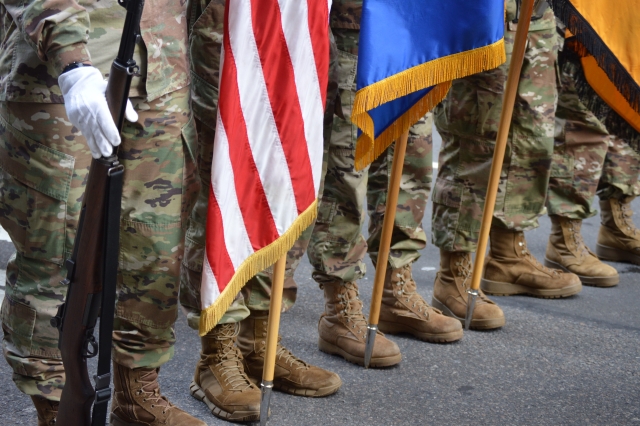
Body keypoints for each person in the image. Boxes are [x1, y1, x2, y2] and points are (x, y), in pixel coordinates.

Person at [0, 0, 205, 424]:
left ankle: (136, 392)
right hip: (61, 80)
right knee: (56, 258)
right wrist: (72, 63)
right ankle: (58, 408)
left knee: (156, 246)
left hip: (161, 70)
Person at [179, 1, 341, 422]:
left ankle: (261, 339)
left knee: (284, 164)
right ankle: (219, 349)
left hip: (296, 13)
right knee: (228, 165)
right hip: (234, 12)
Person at [307, 1, 463, 370]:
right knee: (349, 165)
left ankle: (395, 287)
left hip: (412, 25)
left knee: (413, 155)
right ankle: (339, 304)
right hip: (353, 25)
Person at [432, 0, 581, 329]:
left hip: (537, 13)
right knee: (475, 139)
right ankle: (453, 273)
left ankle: (507, 253)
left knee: (532, 137)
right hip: (482, 13)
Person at [545, 35, 640, 280]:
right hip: (582, 25)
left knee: (624, 113)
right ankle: (565, 238)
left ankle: (617, 225)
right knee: (584, 123)